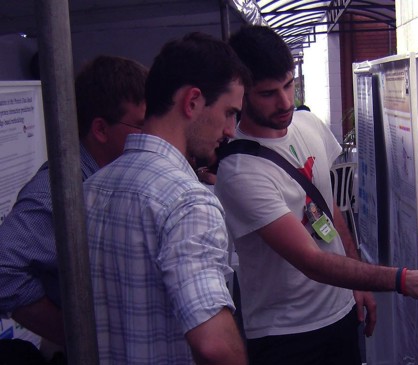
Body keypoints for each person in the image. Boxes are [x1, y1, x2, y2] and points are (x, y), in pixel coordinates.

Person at [215, 25, 418, 365]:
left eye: (289, 85)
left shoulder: (308, 124)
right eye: (267, 93)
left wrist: (357, 283)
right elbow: (311, 260)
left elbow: (330, 210)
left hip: (339, 314)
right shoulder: (239, 170)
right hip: (287, 335)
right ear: (241, 94)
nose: (285, 102)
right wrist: (401, 279)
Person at [83, 32, 249, 365]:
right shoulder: (189, 202)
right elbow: (214, 344)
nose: (231, 130)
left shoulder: (91, 188)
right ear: (192, 101)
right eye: (230, 113)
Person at [0, 55, 147, 348]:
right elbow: (3, 267)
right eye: (141, 126)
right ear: (101, 129)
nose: (151, 137)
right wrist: (78, 337)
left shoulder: (104, 177)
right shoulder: (61, 190)